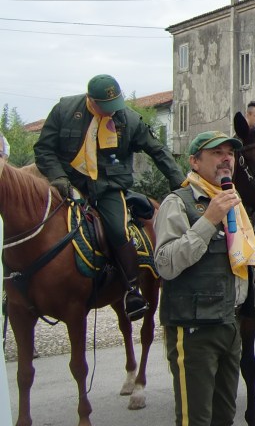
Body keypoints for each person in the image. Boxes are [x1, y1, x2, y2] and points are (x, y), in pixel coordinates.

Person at [34, 74, 185, 321]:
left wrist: (179, 182)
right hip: (65, 181)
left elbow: (157, 151)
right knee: (35, 222)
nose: (112, 113)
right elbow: (43, 149)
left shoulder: (129, 119)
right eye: (106, 108)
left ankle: (132, 289)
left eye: (115, 106)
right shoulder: (64, 110)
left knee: (117, 228)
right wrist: (57, 177)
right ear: (90, 100)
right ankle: (17, 288)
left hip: (107, 186)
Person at [153, 131, 255, 426]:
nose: (226, 158)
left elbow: (229, 258)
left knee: (224, 416)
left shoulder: (233, 202)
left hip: (229, 323)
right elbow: (166, 264)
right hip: (194, 329)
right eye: (216, 152)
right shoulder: (178, 202)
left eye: (229, 152)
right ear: (194, 161)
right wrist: (208, 220)